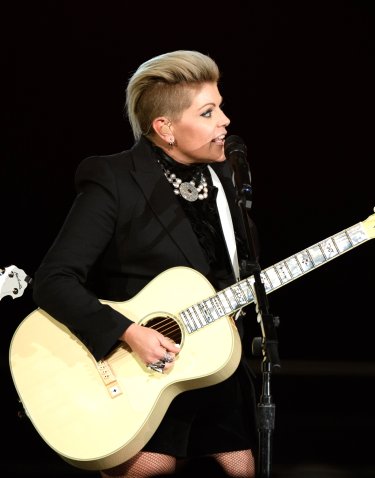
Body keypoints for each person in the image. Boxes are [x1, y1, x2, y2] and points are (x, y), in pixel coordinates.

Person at [31, 50, 257, 477]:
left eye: (221, 107)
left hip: (213, 368)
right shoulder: (114, 179)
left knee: (241, 469)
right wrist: (129, 333)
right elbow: (54, 280)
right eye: (209, 112)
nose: (225, 120)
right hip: (137, 372)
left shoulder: (226, 178)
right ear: (165, 128)